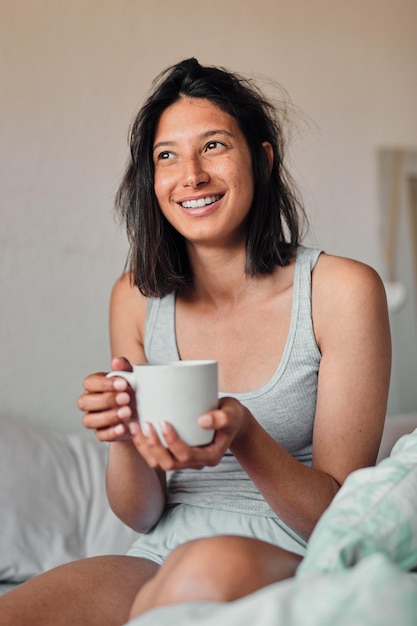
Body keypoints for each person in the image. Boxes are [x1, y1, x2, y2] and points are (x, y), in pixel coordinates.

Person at [0, 58, 391, 626]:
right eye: (167, 156)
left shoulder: (342, 291)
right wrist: (123, 433)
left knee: (201, 573)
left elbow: (339, 516)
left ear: (261, 157)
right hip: (161, 552)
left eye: (213, 146)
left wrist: (243, 432)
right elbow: (140, 513)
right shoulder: (135, 295)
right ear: (150, 179)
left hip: (300, 552)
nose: (191, 175)